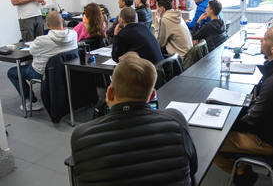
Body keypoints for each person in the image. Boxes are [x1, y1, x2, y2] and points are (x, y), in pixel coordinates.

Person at [71, 52, 198, 186]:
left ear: (109, 93)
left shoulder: (80, 136)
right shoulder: (177, 121)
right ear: (152, 96)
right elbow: (192, 169)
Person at [214, 22, 273, 186]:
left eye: (264, 39)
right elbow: (262, 105)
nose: (260, 41)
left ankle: (240, 172)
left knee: (211, 142)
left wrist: (225, 122)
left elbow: (250, 122)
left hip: (268, 142)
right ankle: (241, 167)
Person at [7, 11, 77, 111]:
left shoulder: (41, 40)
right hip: (66, 69)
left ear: (47, 24)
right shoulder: (73, 34)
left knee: (12, 72)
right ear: (62, 20)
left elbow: (32, 52)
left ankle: (32, 102)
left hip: (43, 72)